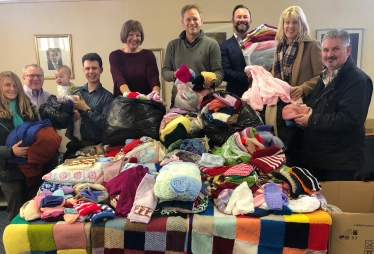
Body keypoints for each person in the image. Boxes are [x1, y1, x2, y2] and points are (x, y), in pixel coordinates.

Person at [295, 28, 373, 181]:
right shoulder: (324, 76)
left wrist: (311, 120)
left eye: (335, 49)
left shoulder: (358, 80)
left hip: (340, 163)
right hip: (319, 159)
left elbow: (349, 118)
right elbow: (324, 107)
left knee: (336, 204)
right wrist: (307, 109)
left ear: (348, 50)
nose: (329, 54)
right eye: (325, 50)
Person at [258, 6, 324, 165]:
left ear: (302, 24)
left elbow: (323, 76)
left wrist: (303, 87)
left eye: (295, 22)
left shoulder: (312, 45)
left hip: (301, 106)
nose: (290, 26)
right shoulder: (279, 47)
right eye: (287, 22)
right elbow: (276, 76)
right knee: (282, 150)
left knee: (298, 151)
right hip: (280, 109)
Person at [0, 71, 58, 222]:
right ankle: (13, 244)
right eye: (7, 85)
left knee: (33, 211)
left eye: (15, 85)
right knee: (16, 215)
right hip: (10, 172)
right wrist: (11, 152)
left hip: (31, 168)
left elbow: (36, 132)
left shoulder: (26, 108)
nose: (12, 88)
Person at [162, 4, 223, 107]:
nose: (192, 23)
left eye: (195, 19)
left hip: (204, 102)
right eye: (188, 19)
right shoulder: (173, 45)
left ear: (201, 21)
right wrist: (175, 74)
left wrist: (212, 81)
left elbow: (219, 72)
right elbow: (165, 72)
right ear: (183, 22)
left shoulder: (212, 44)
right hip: (179, 101)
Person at [64, 53, 114, 159]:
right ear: (83, 70)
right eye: (87, 68)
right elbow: (63, 119)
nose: (91, 72)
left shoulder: (108, 97)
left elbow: (105, 124)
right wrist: (71, 118)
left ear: (101, 70)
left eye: (94, 68)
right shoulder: (74, 92)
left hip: (97, 149)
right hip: (74, 147)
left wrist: (85, 109)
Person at [109, 20, 161, 98]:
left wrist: (155, 95)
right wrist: (131, 96)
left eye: (138, 35)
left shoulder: (148, 55)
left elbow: (153, 78)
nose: (135, 38)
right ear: (124, 36)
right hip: (125, 104)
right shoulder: (115, 56)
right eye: (131, 35)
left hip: (145, 103)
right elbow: (119, 79)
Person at [220, 4, 252, 97]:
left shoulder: (259, 43)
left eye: (245, 17)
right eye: (239, 17)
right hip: (235, 98)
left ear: (250, 21)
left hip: (261, 97)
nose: (242, 19)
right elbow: (225, 72)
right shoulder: (224, 46)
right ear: (233, 21)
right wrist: (247, 78)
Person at [55, 65, 82, 141]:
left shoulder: (72, 85)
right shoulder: (60, 87)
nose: (58, 79)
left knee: (80, 117)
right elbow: (63, 96)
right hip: (67, 105)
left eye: (61, 77)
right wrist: (75, 99)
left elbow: (77, 92)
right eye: (56, 77)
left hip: (74, 103)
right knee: (77, 117)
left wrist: (79, 98)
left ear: (68, 77)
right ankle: (76, 133)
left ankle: (77, 132)